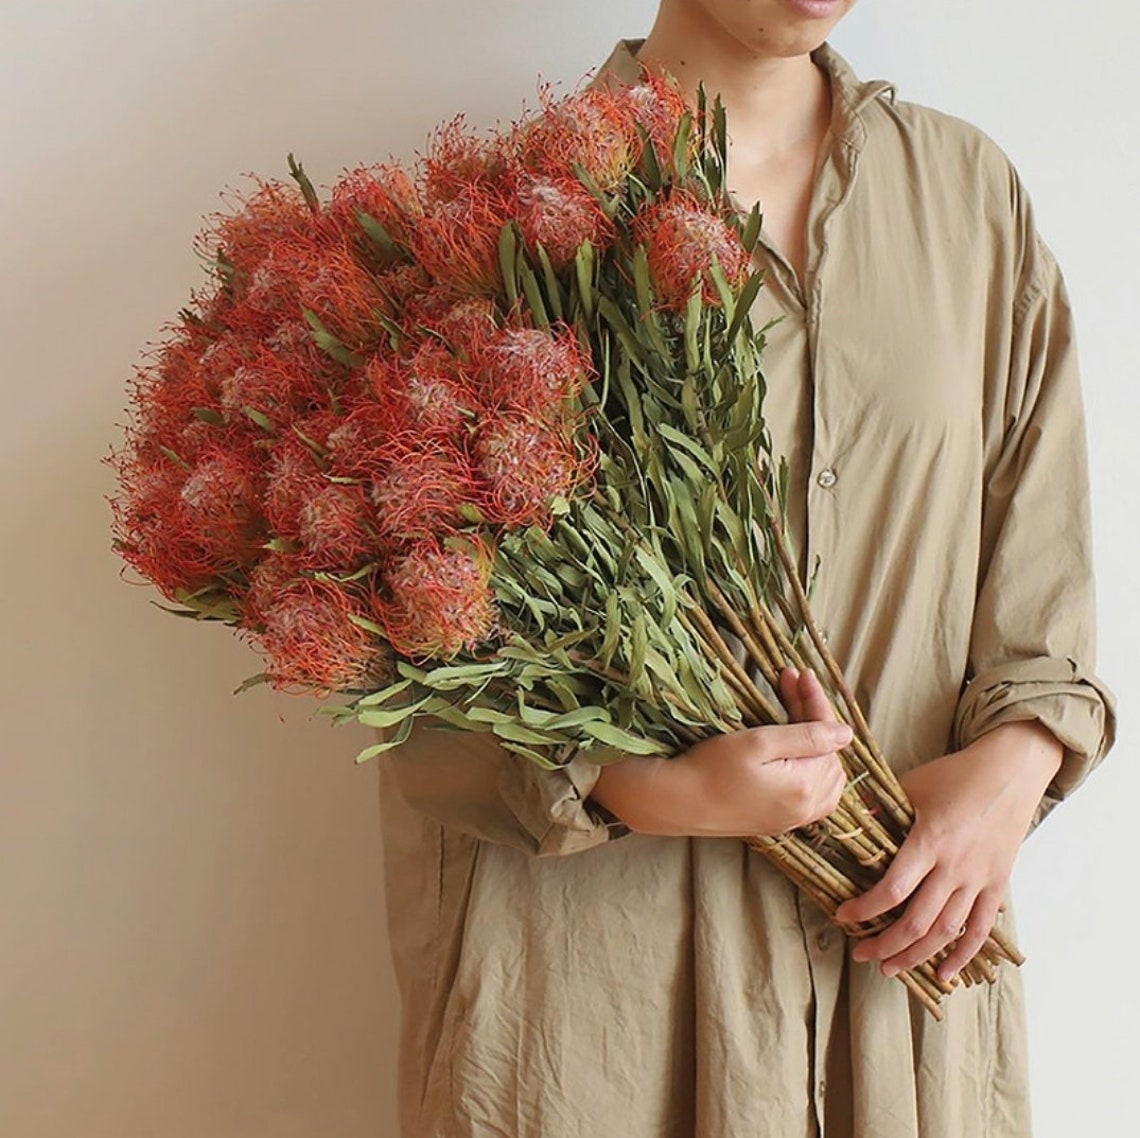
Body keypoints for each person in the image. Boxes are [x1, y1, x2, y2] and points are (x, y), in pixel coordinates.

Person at [377, 2, 1117, 1135]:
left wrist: (1013, 767)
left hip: (898, 966)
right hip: (603, 997)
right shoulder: (501, 229)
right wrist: (644, 786)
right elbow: (409, 666)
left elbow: (1041, 552)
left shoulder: (969, 200)